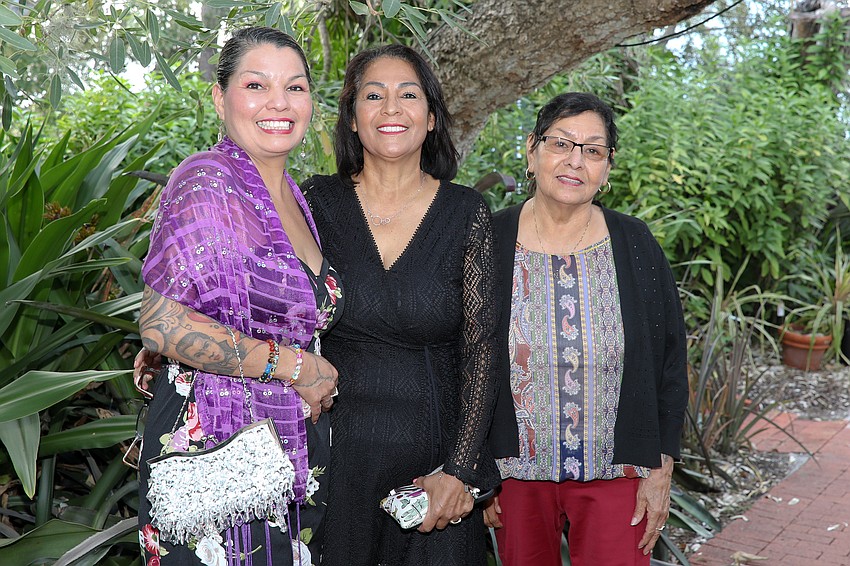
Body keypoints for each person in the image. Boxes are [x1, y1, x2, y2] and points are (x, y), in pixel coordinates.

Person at [134, 27, 341, 566]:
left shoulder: (294, 197)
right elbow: (162, 325)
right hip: (214, 464)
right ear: (220, 97)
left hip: (286, 455)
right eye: (257, 85)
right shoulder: (207, 180)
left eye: (295, 87)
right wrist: (294, 366)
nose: (279, 103)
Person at [301, 44, 503, 565]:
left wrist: (461, 471)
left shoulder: (466, 212)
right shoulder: (315, 204)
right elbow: (272, 309)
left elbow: (481, 351)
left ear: (431, 117)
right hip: (332, 460)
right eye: (374, 95)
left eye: (408, 95)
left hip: (433, 469)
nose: (391, 108)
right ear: (351, 117)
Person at [483, 92, 688, 565]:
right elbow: (461, 355)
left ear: (608, 168)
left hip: (619, 469)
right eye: (561, 143)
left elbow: (670, 361)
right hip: (513, 470)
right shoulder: (489, 239)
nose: (576, 161)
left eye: (593, 150)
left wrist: (661, 469)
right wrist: (475, 468)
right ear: (532, 150)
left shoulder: (634, 242)